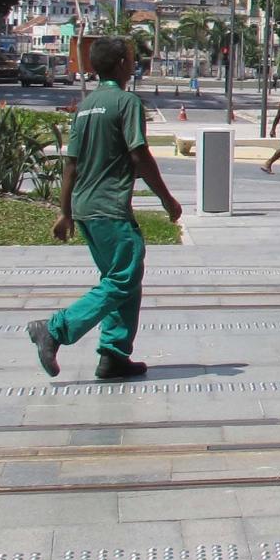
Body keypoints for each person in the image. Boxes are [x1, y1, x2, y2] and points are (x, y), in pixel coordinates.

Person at [28, 36, 183, 380]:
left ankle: (113, 354)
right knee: (124, 276)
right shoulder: (126, 102)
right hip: (109, 206)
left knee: (120, 279)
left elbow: (71, 164)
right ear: (122, 65)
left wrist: (65, 211)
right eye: (132, 58)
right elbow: (138, 154)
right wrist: (166, 198)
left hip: (84, 207)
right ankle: (55, 329)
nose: (135, 62)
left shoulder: (86, 105)